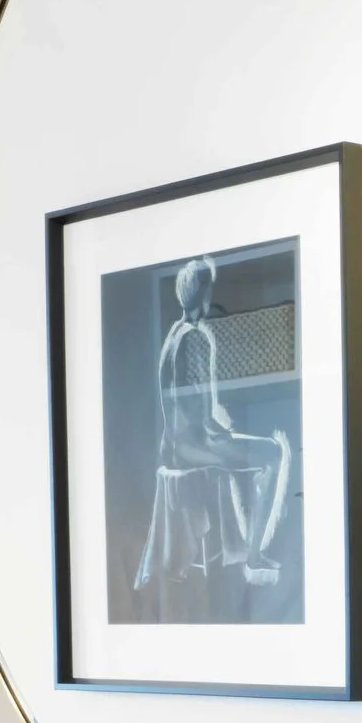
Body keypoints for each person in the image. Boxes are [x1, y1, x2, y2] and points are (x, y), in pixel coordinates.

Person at [136, 255, 293, 601]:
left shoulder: (172, 337)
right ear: (202, 292)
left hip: (175, 446)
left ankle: (246, 542)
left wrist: (221, 431)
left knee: (246, 453)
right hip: (193, 447)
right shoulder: (197, 338)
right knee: (272, 453)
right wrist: (227, 434)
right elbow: (206, 417)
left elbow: (184, 407)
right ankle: (253, 553)